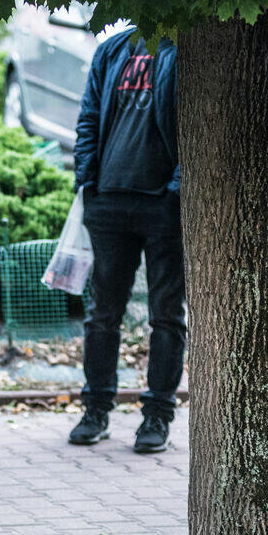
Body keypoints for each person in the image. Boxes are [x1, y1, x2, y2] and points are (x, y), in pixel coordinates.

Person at [69, 27, 183, 453]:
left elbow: (197, 125)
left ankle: (157, 415)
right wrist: (87, 181)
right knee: (102, 314)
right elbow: (88, 115)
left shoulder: (186, 47)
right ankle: (95, 409)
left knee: (166, 315)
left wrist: (176, 189)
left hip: (162, 204)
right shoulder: (113, 48)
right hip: (109, 199)